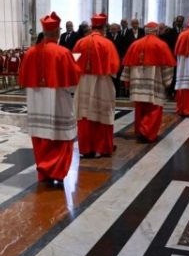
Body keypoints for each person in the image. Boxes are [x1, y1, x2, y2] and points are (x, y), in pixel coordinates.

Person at [19, 12, 81, 184]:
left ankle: (44, 171)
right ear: (56, 32)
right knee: (61, 137)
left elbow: (24, 78)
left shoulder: (30, 53)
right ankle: (55, 171)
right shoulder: (63, 52)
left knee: (41, 137)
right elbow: (71, 85)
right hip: (58, 101)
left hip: (35, 102)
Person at [73, 13, 120, 157]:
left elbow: (73, 62)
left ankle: (86, 149)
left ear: (92, 26)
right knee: (102, 114)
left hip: (83, 83)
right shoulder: (107, 43)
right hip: (102, 82)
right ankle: (102, 148)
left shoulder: (80, 42)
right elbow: (114, 67)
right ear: (103, 28)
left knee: (85, 115)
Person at [121, 22, 176, 142]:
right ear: (156, 31)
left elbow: (127, 65)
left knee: (140, 108)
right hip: (153, 82)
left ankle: (140, 130)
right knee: (154, 107)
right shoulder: (161, 45)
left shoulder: (135, 44)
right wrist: (167, 81)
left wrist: (127, 81)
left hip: (137, 83)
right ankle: (147, 133)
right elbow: (167, 66)